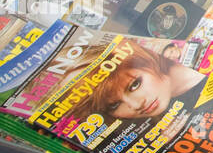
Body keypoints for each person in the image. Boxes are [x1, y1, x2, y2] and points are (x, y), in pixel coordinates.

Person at [74, 42, 205, 122]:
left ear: (148, 61)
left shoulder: (202, 77)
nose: (136, 105)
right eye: (114, 105)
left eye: (134, 85)